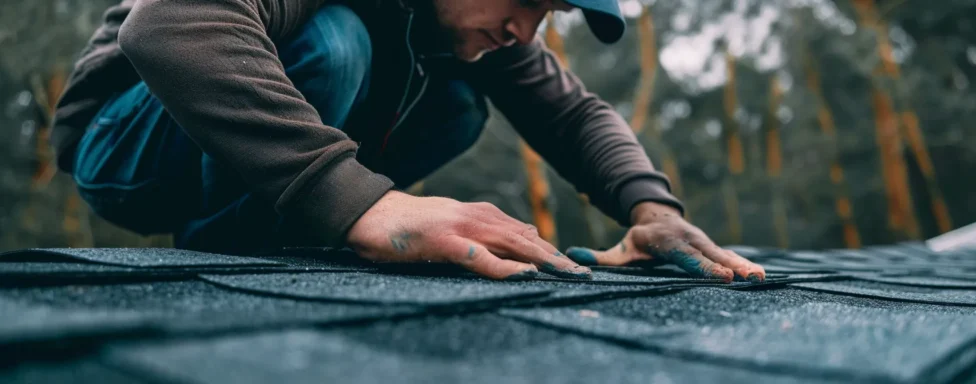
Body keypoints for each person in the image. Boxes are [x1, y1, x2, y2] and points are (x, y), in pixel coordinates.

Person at [52, 0, 766, 282]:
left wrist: (651, 211)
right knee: (337, 46)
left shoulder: (474, 25)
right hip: (127, 149)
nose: (526, 29)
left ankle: (272, 244)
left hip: (245, 162)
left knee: (460, 101)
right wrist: (366, 205)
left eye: (547, 13)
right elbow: (171, 26)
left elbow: (575, 113)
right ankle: (251, 243)